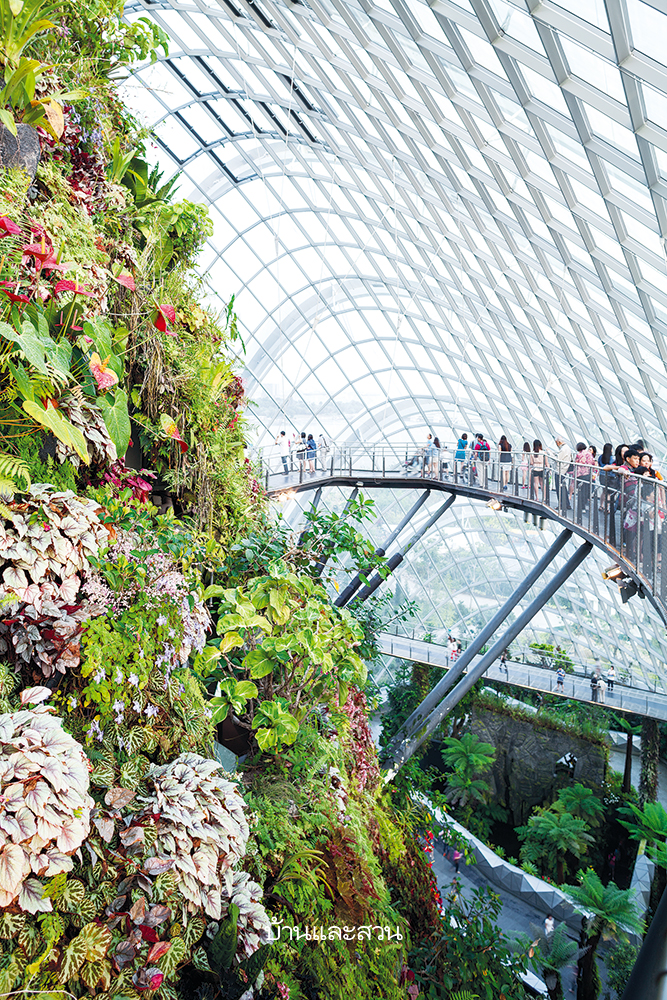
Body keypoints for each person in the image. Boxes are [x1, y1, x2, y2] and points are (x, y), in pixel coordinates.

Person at [571, 442, 595, 521]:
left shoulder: (579, 455)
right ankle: (584, 506)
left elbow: (576, 465)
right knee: (585, 491)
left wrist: (574, 477)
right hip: (587, 475)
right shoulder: (589, 454)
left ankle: (581, 507)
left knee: (580, 491)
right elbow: (593, 463)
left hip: (580, 475)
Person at [553, 437, 572, 510]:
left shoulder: (563, 449)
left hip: (560, 471)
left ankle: (561, 504)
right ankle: (567, 504)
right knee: (563, 488)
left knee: (559, 488)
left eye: (556, 443)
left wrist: (549, 453)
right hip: (564, 470)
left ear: (558, 442)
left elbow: (557, 459)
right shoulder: (567, 448)